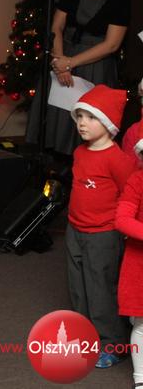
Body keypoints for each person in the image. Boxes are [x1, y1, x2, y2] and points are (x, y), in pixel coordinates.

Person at [27, 0, 131, 155]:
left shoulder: (121, 0)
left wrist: (70, 63)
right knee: (54, 123)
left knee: (85, 126)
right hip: (62, 58)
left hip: (95, 68)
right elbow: (56, 27)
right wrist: (60, 62)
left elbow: (112, 45)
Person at [67, 85, 137, 368]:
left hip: (103, 234)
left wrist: (124, 229)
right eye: (80, 116)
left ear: (108, 123)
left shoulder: (117, 159)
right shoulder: (80, 152)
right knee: (78, 286)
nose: (82, 123)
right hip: (75, 229)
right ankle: (85, 336)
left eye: (91, 117)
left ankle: (112, 344)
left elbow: (130, 195)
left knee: (101, 289)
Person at [116, 116, 143, 386]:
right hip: (140, 265)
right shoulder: (138, 180)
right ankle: (140, 378)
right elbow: (122, 219)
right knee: (142, 324)